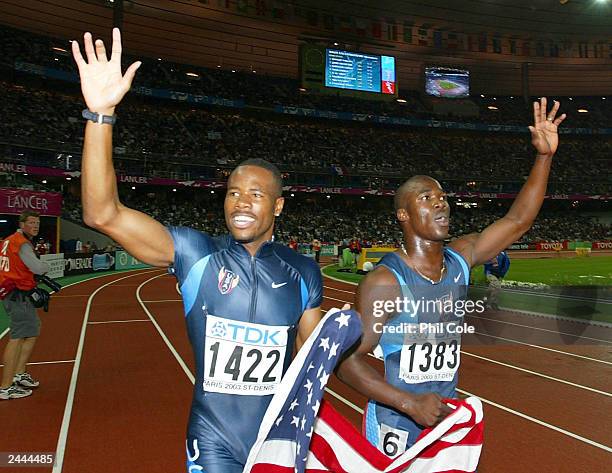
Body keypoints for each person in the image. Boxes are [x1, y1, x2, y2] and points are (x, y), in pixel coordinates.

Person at [72, 29, 322, 473]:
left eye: (256, 195)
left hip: (281, 436)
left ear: (279, 205)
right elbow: (102, 214)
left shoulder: (303, 271)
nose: (241, 202)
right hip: (212, 438)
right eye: (232, 192)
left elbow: (313, 359)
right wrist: (100, 113)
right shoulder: (194, 253)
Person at [337, 98, 565, 455]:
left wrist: (544, 157)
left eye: (443, 197)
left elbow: (517, 221)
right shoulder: (385, 282)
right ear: (404, 215)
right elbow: (344, 360)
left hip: (446, 421)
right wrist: (407, 402)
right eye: (427, 198)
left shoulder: (461, 259)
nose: (441, 203)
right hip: (396, 426)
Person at [0, 211, 50, 400]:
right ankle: (5, 386)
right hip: (17, 294)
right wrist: (44, 266)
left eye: (37, 223)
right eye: (31, 222)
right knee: (18, 336)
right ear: (22, 224)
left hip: (12, 292)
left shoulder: (8, 241)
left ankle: (19, 374)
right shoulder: (22, 244)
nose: (35, 226)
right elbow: (37, 267)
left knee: (32, 330)